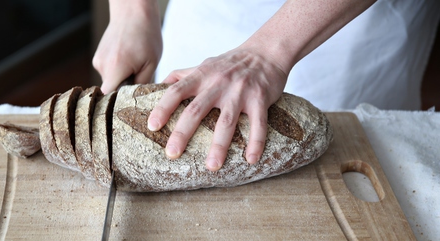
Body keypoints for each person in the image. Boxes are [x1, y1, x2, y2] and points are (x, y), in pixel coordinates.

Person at [93, 0, 440, 172]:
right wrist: (132, 13)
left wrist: (268, 54)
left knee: (349, 155)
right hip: (206, 15)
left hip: (342, 32)